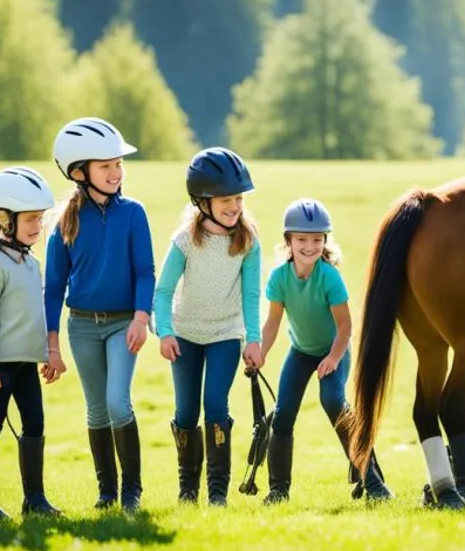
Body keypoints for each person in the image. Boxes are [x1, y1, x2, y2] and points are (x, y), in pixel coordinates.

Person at [44, 117, 155, 512]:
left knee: (117, 402)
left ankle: (132, 491)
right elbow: (54, 286)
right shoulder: (64, 223)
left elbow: (145, 270)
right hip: (82, 327)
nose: (115, 172)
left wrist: (143, 317)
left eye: (118, 164)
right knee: (95, 408)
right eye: (105, 165)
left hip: (125, 323)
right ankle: (107, 492)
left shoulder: (134, 213)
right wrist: (52, 344)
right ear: (79, 172)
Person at [253, 198, 392, 503]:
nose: (309, 246)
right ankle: (278, 489)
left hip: (334, 350)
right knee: (284, 413)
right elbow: (273, 323)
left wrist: (332, 358)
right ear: (288, 240)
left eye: (317, 240)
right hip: (301, 352)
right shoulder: (279, 278)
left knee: (332, 400)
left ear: (325, 241)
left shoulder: (329, 276)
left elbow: (345, 326)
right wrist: (260, 352)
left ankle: (373, 482)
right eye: (302, 239)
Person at [156, 147, 261, 507]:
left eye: (238, 198)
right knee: (186, 412)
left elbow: (250, 294)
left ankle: (217, 492)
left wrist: (254, 339)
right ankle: (188, 489)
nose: (234, 206)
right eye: (225, 200)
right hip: (184, 335)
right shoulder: (185, 240)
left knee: (215, 404)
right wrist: (165, 331)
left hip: (224, 335)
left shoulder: (247, 242)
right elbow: (163, 290)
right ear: (202, 201)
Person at [0, 166, 63, 520]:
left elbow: (33, 315)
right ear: (5, 220)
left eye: (40, 219)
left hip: (26, 364)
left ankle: (34, 500)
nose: (38, 226)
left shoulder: (29, 263)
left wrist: (48, 352)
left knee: (34, 424)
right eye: (32, 219)